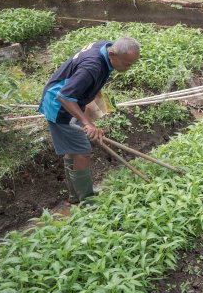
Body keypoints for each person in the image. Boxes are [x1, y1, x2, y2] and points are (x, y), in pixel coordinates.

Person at [39, 37, 140, 203]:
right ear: (112, 54)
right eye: (126, 64)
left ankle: (75, 196)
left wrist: (97, 109)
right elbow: (64, 96)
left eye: (131, 64)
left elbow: (93, 84)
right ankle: (87, 200)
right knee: (82, 152)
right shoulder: (92, 67)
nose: (128, 68)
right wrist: (87, 123)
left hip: (73, 100)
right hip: (61, 107)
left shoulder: (105, 48)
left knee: (72, 150)